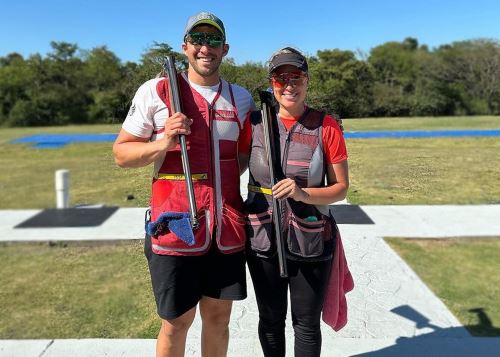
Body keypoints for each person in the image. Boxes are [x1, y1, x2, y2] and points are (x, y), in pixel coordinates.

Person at [113, 11, 255, 357]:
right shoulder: (158, 91)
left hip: (226, 229)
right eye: (198, 40)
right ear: (185, 46)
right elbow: (122, 152)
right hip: (176, 229)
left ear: (226, 49)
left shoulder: (240, 99)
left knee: (219, 318)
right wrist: (163, 143)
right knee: (177, 322)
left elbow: (242, 160)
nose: (206, 48)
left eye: (214, 40)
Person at [240, 47, 349, 356]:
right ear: (271, 81)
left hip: (311, 237)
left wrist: (303, 194)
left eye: (296, 76)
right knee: (271, 320)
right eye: (280, 77)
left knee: (306, 324)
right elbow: (231, 165)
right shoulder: (255, 123)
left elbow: (341, 188)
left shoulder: (327, 127)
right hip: (262, 238)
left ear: (307, 80)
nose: (288, 85)